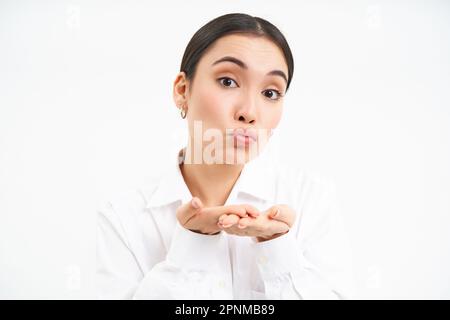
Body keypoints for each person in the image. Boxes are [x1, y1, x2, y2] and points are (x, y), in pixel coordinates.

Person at [96, 13, 355, 299]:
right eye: (228, 82)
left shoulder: (310, 201)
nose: (249, 112)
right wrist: (192, 247)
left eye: (270, 92)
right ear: (183, 90)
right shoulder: (123, 219)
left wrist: (278, 249)